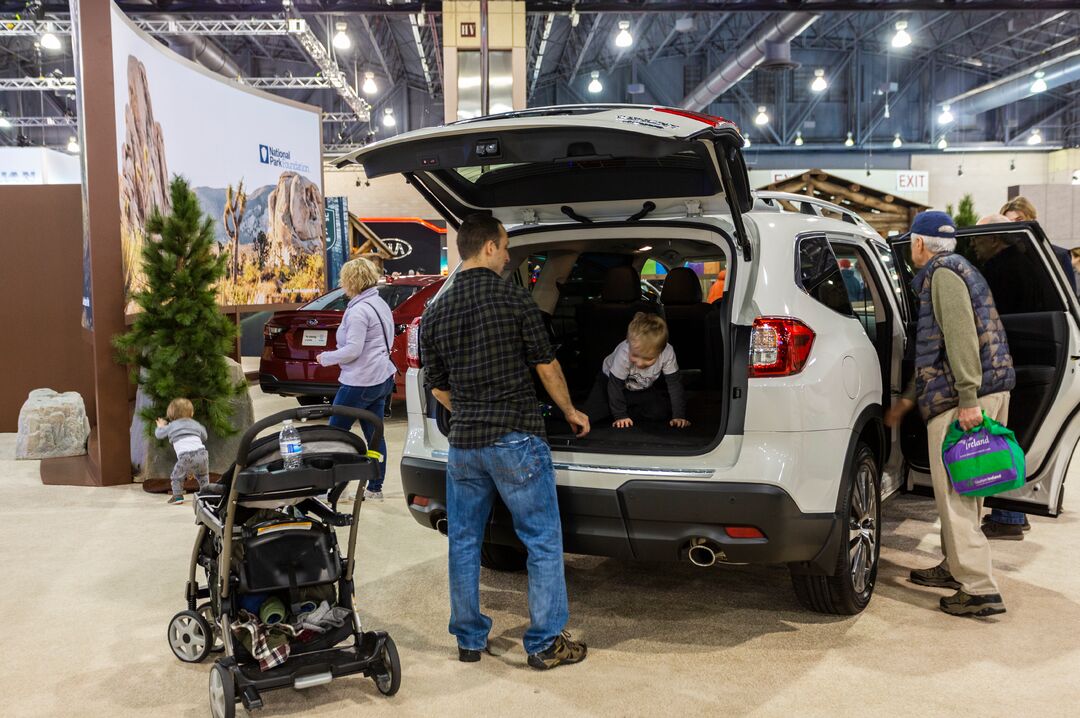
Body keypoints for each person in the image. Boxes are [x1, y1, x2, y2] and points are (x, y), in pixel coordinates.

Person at [421, 213, 591, 670]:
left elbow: (436, 384)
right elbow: (546, 365)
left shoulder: (435, 310)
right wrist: (571, 412)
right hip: (516, 438)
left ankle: (469, 640)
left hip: (464, 446)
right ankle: (545, 643)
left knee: (463, 541)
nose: (510, 254)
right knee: (541, 539)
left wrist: (471, 410)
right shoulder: (514, 299)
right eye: (506, 245)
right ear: (490, 248)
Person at [885, 210, 1015, 617]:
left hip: (965, 397)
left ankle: (978, 588)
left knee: (955, 496)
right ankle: (956, 567)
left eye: (911, 242)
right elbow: (935, 346)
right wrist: (909, 398)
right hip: (981, 389)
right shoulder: (960, 268)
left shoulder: (942, 276)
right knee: (969, 488)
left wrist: (967, 397)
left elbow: (960, 337)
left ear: (920, 243)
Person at [316, 257, 396, 501]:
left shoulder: (359, 311)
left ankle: (334, 487)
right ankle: (375, 488)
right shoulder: (379, 303)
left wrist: (325, 357)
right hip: (382, 377)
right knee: (374, 435)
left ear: (351, 281)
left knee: (335, 434)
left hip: (360, 381)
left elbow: (353, 350)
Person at [582, 312, 690, 430]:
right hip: (609, 382)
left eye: (648, 359)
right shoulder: (624, 352)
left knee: (660, 412)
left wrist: (679, 416)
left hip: (640, 387)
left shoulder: (667, 352)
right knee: (590, 417)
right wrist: (620, 416)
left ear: (660, 351)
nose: (639, 363)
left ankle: (623, 407)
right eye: (635, 355)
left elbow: (674, 384)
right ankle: (615, 409)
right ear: (629, 343)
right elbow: (614, 386)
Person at [155, 398, 209, 505]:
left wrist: (160, 426)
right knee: (203, 476)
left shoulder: (172, 426)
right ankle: (206, 495)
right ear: (192, 413)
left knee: (176, 476)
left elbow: (159, 434)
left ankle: (178, 496)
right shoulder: (196, 424)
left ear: (171, 415)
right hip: (202, 454)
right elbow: (205, 436)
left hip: (186, 457)